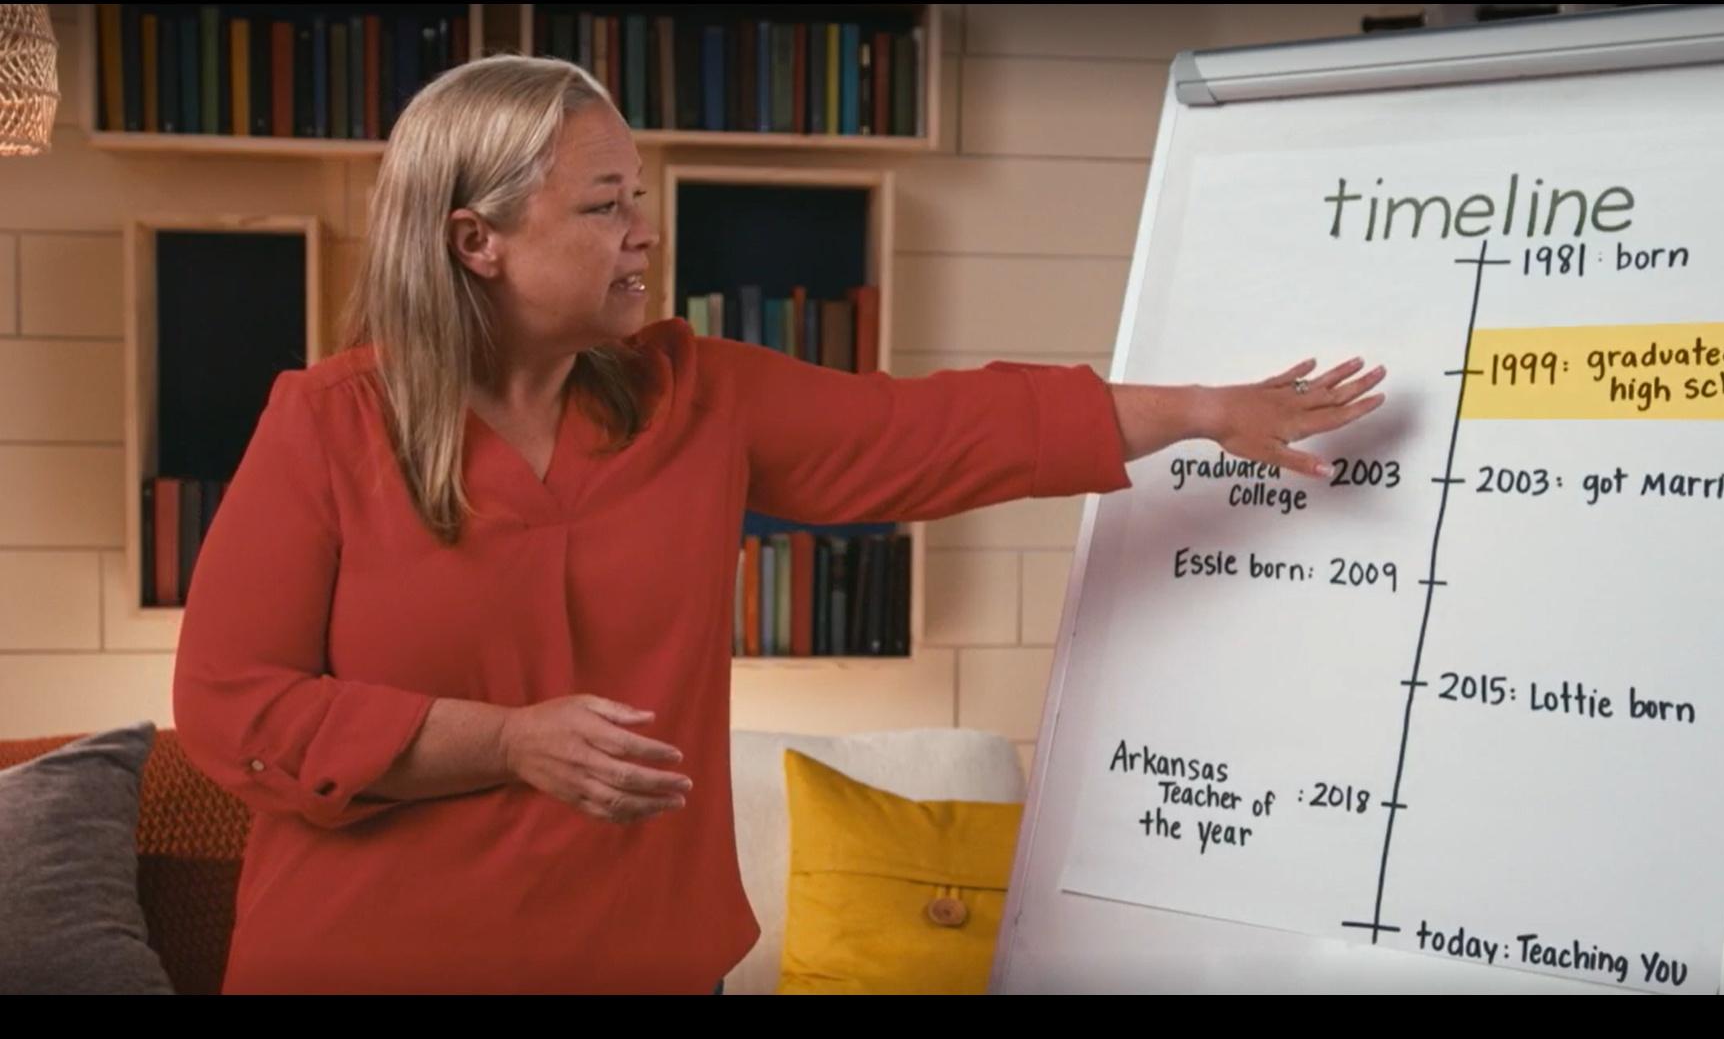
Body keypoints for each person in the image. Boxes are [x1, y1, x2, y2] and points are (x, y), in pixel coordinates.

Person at [170, 54, 1387, 995]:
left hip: (638, 962)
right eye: (602, 206)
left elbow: (937, 431)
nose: (642, 231)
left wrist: (1196, 407)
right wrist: (504, 740)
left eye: (637, 197)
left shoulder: (697, 395)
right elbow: (233, 708)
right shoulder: (326, 424)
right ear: (474, 241)